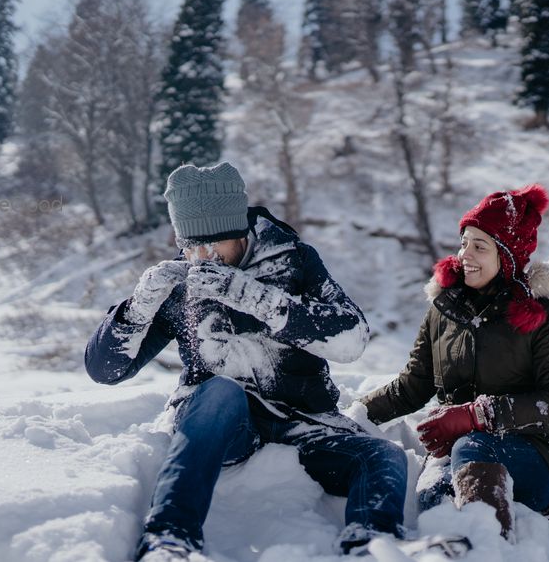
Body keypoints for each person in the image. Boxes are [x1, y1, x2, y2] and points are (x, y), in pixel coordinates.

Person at [85, 162, 407, 560]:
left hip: (302, 421)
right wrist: (138, 308)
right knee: (219, 389)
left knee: (383, 456)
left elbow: (351, 339)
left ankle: (369, 545)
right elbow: (105, 370)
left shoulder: (294, 261)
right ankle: (169, 539)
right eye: (190, 245)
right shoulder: (180, 280)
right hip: (222, 426)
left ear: (239, 233)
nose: (202, 256)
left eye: (213, 245)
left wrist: (255, 298)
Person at [359, 184, 549, 540]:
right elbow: (414, 384)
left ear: (507, 258)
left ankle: (489, 549)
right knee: (433, 493)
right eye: (464, 242)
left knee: (471, 446)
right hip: (458, 451)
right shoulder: (444, 309)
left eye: (480, 246)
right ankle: (449, 549)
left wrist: (477, 416)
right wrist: (356, 414)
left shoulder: (546, 316)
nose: (466, 254)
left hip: (537, 455)